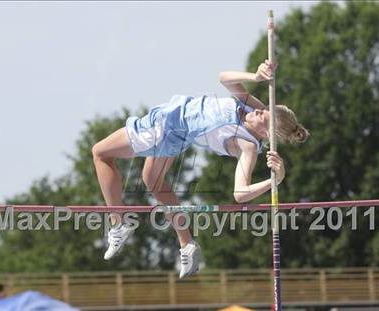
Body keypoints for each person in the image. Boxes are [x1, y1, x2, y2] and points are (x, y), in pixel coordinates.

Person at [92, 60, 309, 278]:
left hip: (164, 129)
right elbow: (224, 77)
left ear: (267, 134)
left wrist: (275, 181)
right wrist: (256, 76)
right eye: (262, 110)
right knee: (154, 182)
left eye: (262, 116)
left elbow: (240, 194)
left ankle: (117, 223)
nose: (258, 112)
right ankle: (187, 244)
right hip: (175, 124)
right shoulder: (251, 107)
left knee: (101, 153)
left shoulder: (248, 146)